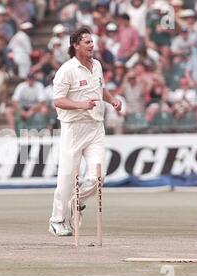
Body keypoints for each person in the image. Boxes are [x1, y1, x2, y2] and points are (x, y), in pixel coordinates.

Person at [49, 27, 122, 236]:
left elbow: (100, 89)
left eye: (92, 42)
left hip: (96, 127)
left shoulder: (97, 65)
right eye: (88, 42)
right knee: (65, 176)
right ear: (76, 45)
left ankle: (76, 202)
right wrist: (81, 104)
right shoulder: (67, 70)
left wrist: (113, 100)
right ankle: (57, 221)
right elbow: (58, 100)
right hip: (74, 127)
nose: (92, 45)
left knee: (98, 177)